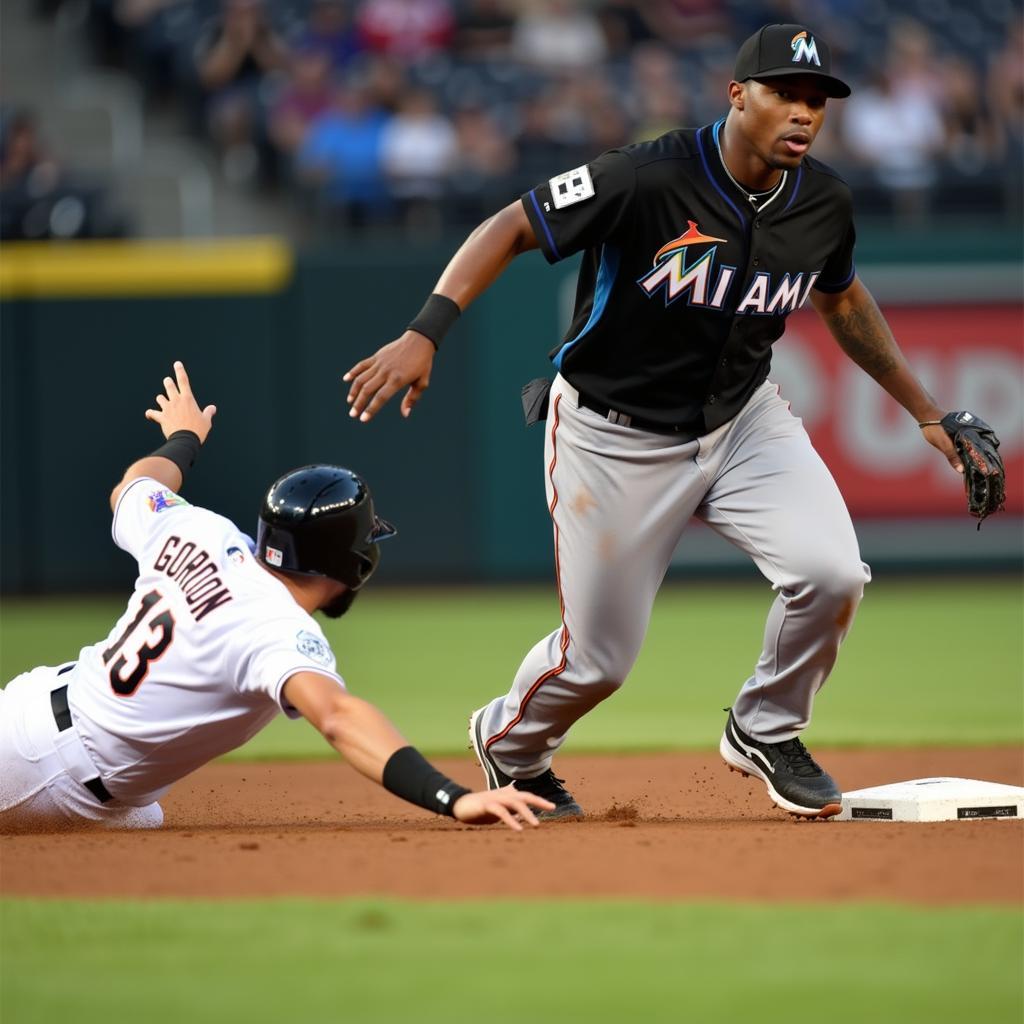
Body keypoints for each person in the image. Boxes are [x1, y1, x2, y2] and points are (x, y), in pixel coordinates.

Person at [343, 24, 974, 821]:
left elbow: (841, 298)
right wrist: (424, 330)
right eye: (784, 93)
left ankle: (766, 728)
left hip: (744, 419)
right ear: (737, 94)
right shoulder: (646, 176)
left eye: (817, 100)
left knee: (833, 574)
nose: (803, 114)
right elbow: (509, 226)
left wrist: (925, 412)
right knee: (598, 662)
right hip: (615, 433)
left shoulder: (822, 201)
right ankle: (510, 742)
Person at [0, 362, 552, 832]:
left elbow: (132, 488)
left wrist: (184, 438)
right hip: (50, 773)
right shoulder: (276, 630)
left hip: (37, 713)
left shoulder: (199, 531)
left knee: (147, 818)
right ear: (353, 564)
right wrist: (452, 798)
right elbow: (337, 716)